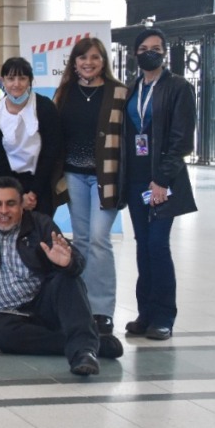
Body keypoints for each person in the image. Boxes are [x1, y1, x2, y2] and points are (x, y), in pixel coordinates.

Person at [0, 177, 124, 375]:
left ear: (22, 205)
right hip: (8, 316)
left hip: (43, 305)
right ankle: (93, 343)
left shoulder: (41, 224)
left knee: (67, 278)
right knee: (1, 334)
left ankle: (84, 353)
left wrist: (68, 263)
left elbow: (76, 262)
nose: (3, 211)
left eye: (11, 204)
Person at [122, 27, 196, 341]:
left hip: (162, 179)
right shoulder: (131, 87)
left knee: (157, 245)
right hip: (135, 178)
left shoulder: (178, 87)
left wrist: (162, 180)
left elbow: (182, 140)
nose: (152, 51)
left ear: (164, 52)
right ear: (136, 53)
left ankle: (164, 316)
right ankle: (145, 313)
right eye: (145, 47)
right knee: (142, 246)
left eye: (158, 47)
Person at [52, 36, 129, 336]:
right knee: (81, 240)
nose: (88, 63)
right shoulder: (65, 92)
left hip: (105, 177)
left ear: (103, 61)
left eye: (95, 57)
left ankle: (102, 311)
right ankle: (81, 305)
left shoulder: (119, 93)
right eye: (83, 58)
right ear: (74, 62)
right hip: (74, 176)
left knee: (99, 239)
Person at [0, 57, 63, 217]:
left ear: (30, 81)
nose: (16, 84)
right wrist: (17, 195)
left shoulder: (45, 108)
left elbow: (51, 151)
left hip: (41, 183)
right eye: (11, 78)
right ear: (3, 81)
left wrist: (33, 193)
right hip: (6, 182)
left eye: (22, 78)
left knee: (41, 234)